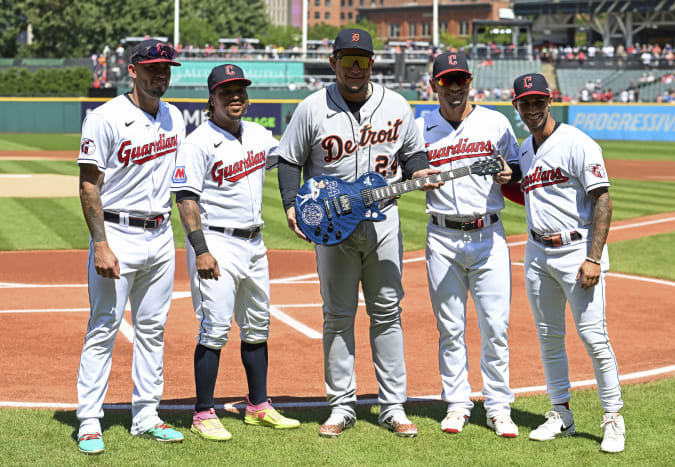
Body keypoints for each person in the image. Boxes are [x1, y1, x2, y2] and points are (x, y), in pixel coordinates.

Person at [274, 28, 442, 438]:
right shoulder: (312, 108)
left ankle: (393, 406)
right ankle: (341, 405)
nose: (354, 67)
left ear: (372, 64)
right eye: (347, 59)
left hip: (383, 221)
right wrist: (292, 205)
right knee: (337, 316)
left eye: (361, 60)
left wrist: (420, 170)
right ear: (333, 63)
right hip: (333, 226)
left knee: (387, 312)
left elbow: (412, 153)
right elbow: (288, 160)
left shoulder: (397, 105)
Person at [171, 64, 300, 441]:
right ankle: (203, 412)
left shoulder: (259, 134)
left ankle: (257, 405)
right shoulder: (198, 142)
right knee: (214, 327)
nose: (235, 96)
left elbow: (288, 162)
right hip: (217, 243)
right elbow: (186, 198)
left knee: (258, 325)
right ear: (211, 98)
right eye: (226, 91)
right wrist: (201, 250)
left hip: (254, 243)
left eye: (240, 89)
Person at [75, 39, 186, 455]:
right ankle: (89, 419)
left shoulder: (174, 116)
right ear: (133, 69)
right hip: (117, 233)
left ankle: (146, 415)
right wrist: (101, 244)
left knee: (153, 329)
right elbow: (89, 184)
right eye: (154, 67)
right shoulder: (105, 118)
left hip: (161, 235)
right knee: (104, 325)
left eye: (167, 67)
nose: (162, 74)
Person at [511, 73, 625, 453]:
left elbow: (603, 201)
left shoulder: (577, 142)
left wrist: (594, 257)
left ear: (550, 101)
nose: (532, 108)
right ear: (516, 106)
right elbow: (532, 195)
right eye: (524, 103)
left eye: (537, 101)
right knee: (549, 337)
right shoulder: (525, 150)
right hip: (537, 252)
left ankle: (613, 418)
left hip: (577, 252)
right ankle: (561, 413)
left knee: (594, 337)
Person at [416, 52, 520, 436]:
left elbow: (518, 171)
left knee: (496, 325)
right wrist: (415, 171)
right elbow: (402, 166)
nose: (454, 87)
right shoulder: (420, 125)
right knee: (450, 327)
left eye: (460, 79)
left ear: (470, 82)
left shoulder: (495, 121)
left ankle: (498, 406)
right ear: (434, 86)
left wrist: (510, 176)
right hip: (442, 236)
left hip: (489, 234)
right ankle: (457, 403)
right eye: (446, 80)